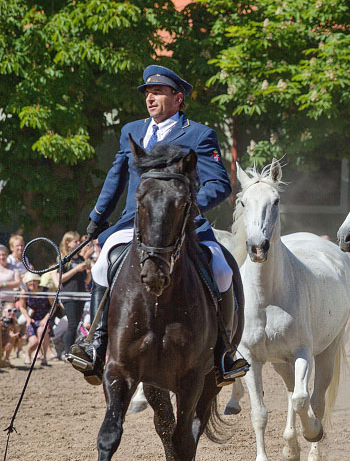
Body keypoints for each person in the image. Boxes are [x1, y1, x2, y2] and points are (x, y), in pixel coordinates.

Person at [67, 64, 248, 386]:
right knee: (100, 265)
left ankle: (224, 352)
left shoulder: (199, 134)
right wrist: (96, 220)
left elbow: (219, 184)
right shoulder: (132, 131)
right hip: (134, 223)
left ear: (178, 98)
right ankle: (94, 344)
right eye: (148, 93)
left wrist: (185, 206)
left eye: (158, 92)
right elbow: (116, 178)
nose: (150, 99)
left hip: (183, 223)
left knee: (221, 269)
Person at [52, 232, 91, 355]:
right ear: (67, 243)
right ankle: (67, 351)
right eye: (75, 241)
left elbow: (86, 280)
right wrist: (76, 269)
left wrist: (88, 271)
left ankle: (70, 349)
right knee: (72, 324)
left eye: (78, 241)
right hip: (69, 295)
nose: (78, 243)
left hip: (81, 294)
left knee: (76, 324)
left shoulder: (80, 259)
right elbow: (60, 279)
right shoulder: (63, 259)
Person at [18, 273, 52, 365]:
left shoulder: (46, 291)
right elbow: (22, 307)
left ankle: (44, 357)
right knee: (33, 342)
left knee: (42, 331)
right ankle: (28, 354)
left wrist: (45, 319)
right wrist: (28, 318)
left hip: (44, 317)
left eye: (34, 281)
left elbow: (53, 306)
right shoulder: (24, 292)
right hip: (32, 318)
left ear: (38, 281)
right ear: (26, 283)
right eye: (29, 281)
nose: (32, 283)